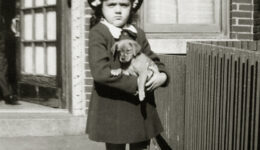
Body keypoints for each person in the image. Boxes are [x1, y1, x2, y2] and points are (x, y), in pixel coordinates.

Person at [86, 0, 169, 149]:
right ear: (101, 7)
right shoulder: (99, 33)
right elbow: (100, 73)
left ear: (132, 7)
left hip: (140, 109)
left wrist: (162, 75)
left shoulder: (138, 33)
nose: (118, 10)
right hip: (113, 108)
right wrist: (137, 83)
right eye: (111, 5)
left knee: (142, 146)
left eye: (124, 5)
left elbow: (152, 59)